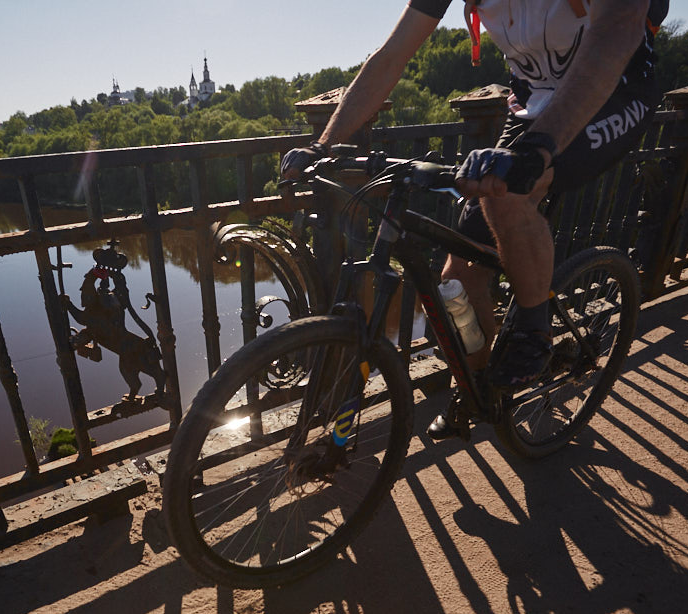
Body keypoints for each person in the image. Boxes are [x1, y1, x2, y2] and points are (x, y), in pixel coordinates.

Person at [281, 0, 665, 437]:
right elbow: (391, 56)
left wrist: (538, 149)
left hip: (614, 92)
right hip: (532, 106)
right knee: (458, 282)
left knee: (508, 193)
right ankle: (480, 387)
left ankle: (533, 332)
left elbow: (615, 34)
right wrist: (325, 147)